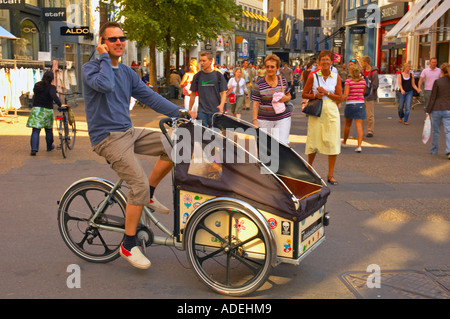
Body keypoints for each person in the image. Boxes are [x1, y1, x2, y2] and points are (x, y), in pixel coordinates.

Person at [82, 21, 181, 270]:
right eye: (112, 39)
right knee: (135, 184)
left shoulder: (127, 72)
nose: (118, 42)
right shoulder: (90, 69)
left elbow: (149, 97)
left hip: (128, 132)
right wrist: (104, 59)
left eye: (121, 38)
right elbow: (105, 85)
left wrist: (180, 112)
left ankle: (148, 193)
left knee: (176, 146)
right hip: (107, 137)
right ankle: (128, 243)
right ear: (102, 43)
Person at [302, 50, 343, 185]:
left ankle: (330, 174)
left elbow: (340, 97)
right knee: (313, 141)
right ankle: (309, 170)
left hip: (331, 112)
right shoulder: (313, 76)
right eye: (323, 60)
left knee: (332, 142)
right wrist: (315, 96)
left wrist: (326, 93)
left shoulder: (336, 77)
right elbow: (304, 94)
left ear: (331, 62)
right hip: (317, 112)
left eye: (327, 59)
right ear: (319, 62)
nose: (325, 62)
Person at [252, 54, 292, 145]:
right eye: (267, 66)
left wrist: (286, 98)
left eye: (272, 67)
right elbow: (255, 103)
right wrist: (255, 121)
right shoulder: (259, 84)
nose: (269, 69)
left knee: (281, 145)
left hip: (282, 118)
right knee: (266, 147)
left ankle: (279, 159)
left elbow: (289, 95)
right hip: (264, 120)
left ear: (277, 68)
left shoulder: (283, 80)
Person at [26, 71, 64, 156]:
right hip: (47, 110)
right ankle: (49, 146)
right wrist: (60, 105)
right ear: (52, 79)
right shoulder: (51, 87)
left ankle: (34, 149)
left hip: (37, 110)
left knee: (35, 131)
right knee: (48, 130)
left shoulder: (37, 85)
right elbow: (54, 96)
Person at [189, 51, 227, 127]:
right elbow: (193, 94)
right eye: (200, 61)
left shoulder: (218, 75)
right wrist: (189, 109)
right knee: (202, 134)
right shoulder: (197, 76)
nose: (202, 63)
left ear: (210, 61)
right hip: (202, 111)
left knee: (214, 134)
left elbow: (223, 93)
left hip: (215, 111)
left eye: (204, 61)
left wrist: (221, 105)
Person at [425, 63, 450, 159]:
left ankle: (434, 149)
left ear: (442, 71)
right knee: (448, 131)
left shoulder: (438, 82)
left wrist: (428, 111)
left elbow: (433, 97)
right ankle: (449, 150)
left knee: (436, 131)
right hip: (448, 108)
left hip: (437, 108)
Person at [341, 63, 366, 152]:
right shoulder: (363, 81)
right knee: (359, 126)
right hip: (360, 104)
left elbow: (346, 94)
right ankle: (359, 146)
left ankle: (344, 141)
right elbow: (363, 92)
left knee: (347, 125)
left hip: (350, 104)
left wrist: (339, 100)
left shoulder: (348, 81)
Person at [360, 56, 379, 137]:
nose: (361, 63)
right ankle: (360, 129)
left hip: (369, 96)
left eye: (362, 62)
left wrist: (368, 89)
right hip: (361, 96)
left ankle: (370, 131)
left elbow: (375, 85)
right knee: (360, 114)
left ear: (366, 62)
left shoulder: (373, 73)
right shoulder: (362, 71)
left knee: (370, 115)